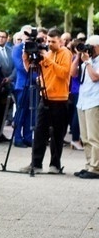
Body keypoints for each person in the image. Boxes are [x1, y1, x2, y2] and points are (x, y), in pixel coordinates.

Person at [19, 28, 71, 173]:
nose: (50, 44)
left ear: (60, 41)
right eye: (48, 41)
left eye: (53, 42)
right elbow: (33, 69)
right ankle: (35, 164)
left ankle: (55, 165)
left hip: (60, 99)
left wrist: (47, 59)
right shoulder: (47, 53)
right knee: (40, 130)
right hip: (45, 97)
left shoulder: (65, 53)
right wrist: (26, 57)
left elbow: (63, 73)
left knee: (57, 133)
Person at [72, 36, 99, 178]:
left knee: (94, 137)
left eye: (91, 46)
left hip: (95, 102)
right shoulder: (85, 61)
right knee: (85, 137)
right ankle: (89, 165)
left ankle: (96, 168)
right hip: (83, 101)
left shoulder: (94, 62)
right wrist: (78, 57)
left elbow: (95, 77)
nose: (88, 49)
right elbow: (72, 73)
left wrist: (88, 62)